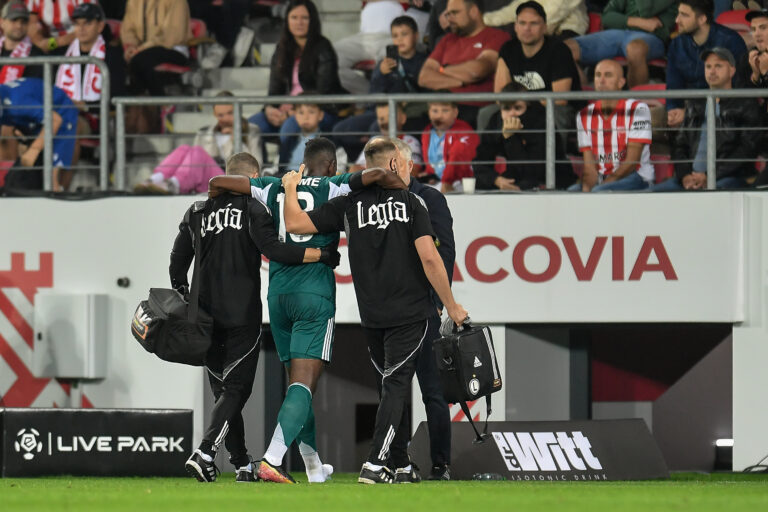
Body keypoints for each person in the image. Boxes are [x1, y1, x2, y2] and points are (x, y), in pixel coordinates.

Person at [207, 137, 407, 484]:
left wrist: (215, 192)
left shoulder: (273, 184)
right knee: (304, 384)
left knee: (296, 384)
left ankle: (313, 465)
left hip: (278, 294)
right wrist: (393, 176)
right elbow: (372, 176)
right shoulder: (333, 184)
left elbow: (220, 182)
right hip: (313, 291)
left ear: (303, 161)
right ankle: (271, 457)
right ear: (331, 165)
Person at [279, 137, 468, 485]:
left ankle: (400, 465)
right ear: (395, 164)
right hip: (411, 311)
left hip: (372, 316)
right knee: (397, 387)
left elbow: (295, 225)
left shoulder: (348, 204)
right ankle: (375, 463)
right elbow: (431, 258)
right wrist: (452, 306)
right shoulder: (413, 202)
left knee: (388, 386)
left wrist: (291, 187)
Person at [172, 152, 338, 483]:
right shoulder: (253, 207)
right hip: (241, 313)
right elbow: (274, 250)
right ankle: (205, 452)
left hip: (204, 315)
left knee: (224, 392)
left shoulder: (196, 210)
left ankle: (240, 461)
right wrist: (320, 253)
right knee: (236, 389)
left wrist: (185, 296)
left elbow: (178, 261)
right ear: (254, 178)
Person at [389, 137, 455, 481]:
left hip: (425, 309)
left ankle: (441, 463)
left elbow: (444, 254)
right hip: (392, 312)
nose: (392, 168)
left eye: (397, 162)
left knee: (434, 391)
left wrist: (441, 300)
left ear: (410, 164)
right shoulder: (376, 201)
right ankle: (398, 462)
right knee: (394, 393)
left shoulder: (430, 199)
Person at [652, 48, 761, 190]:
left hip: (729, 178)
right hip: (691, 178)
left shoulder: (746, 104)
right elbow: (680, 145)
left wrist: (710, 176)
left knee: (715, 195)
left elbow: (746, 149)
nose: (712, 71)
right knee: (653, 193)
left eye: (718, 66)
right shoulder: (695, 104)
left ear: (732, 71)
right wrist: (685, 176)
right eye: (708, 66)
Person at [249, 0, 343, 158]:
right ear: (287, 20)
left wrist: (292, 112)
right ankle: (259, 175)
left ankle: (284, 175)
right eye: (294, 17)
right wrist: (269, 109)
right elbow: (274, 91)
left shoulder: (323, 47)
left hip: (316, 110)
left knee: (290, 126)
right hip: (285, 111)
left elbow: (322, 92)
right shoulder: (281, 49)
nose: (299, 22)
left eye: (304, 18)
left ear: (312, 20)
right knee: (250, 127)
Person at [333, 16, 428, 162]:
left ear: (416, 36)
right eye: (395, 35)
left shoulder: (425, 62)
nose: (400, 39)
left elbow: (427, 96)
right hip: (379, 113)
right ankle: (358, 165)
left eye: (404, 34)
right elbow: (373, 97)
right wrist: (380, 74)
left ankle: (379, 166)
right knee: (339, 130)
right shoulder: (385, 63)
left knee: (375, 128)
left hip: (409, 115)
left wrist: (403, 107)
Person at [134, 91, 263, 195]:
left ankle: (173, 185)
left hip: (232, 180)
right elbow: (195, 164)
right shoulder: (204, 133)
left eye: (230, 113)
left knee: (197, 151)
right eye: (221, 115)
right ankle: (154, 179)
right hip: (205, 179)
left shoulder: (251, 130)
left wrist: (236, 139)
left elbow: (257, 164)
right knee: (184, 148)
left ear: (237, 111)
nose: (225, 119)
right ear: (214, 114)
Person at [54, 2, 126, 164]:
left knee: (68, 125)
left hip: (96, 119)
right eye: (77, 24)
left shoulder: (112, 55)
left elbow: (117, 97)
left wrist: (84, 105)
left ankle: (56, 185)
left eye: (87, 23)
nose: (81, 28)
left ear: (100, 26)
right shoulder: (62, 54)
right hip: (61, 114)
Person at [418, 0, 510, 126]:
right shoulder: (447, 40)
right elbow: (424, 77)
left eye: (454, 13)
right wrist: (460, 81)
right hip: (441, 108)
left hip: (475, 108)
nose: (450, 18)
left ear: (473, 12)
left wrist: (441, 70)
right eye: (448, 14)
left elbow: (477, 71)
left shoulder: (497, 36)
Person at [570, 59, 654, 192]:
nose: (601, 80)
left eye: (608, 75)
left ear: (621, 82)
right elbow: (589, 167)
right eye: (598, 75)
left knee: (599, 192)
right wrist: (586, 192)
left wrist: (599, 187)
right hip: (602, 178)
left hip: (636, 177)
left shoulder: (638, 109)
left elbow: (631, 162)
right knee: (572, 194)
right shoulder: (584, 115)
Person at [474, 82, 575, 190]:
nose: (512, 114)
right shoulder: (496, 121)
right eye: (506, 108)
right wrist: (496, 180)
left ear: (527, 106)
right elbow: (480, 160)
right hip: (513, 177)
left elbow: (532, 171)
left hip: (548, 180)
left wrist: (510, 137)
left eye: (517, 108)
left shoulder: (539, 121)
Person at [666, 0, 747, 127]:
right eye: (678, 14)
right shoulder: (677, 44)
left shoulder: (730, 41)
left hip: (724, 108)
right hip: (688, 107)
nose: (677, 20)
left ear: (702, 19)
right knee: (651, 119)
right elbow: (673, 86)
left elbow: (740, 88)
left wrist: (692, 111)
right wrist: (673, 110)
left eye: (684, 15)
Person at [564, 0, 677, 88]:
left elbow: (651, 19)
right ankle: (585, 100)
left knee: (635, 49)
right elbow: (607, 18)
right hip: (616, 33)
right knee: (565, 48)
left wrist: (622, 19)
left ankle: (637, 106)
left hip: (651, 38)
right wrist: (640, 22)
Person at [0, 77, 78, 192]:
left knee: (51, 178)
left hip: (61, 115)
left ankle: (57, 199)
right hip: (37, 119)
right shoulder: (11, 105)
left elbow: (54, 120)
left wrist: (34, 150)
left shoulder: (17, 104)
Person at [332, 0, 406, 95]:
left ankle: (386, 100)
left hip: (391, 38)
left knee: (390, 59)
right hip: (363, 38)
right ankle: (368, 95)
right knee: (332, 55)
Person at [121, 0, 190, 96]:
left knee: (141, 60)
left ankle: (161, 104)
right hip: (142, 50)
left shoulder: (177, 1)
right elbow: (128, 29)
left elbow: (171, 35)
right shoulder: (133, 1)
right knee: (117, 58)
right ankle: (131, 106)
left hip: (172, 48)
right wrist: (131, 46)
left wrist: (142, 48)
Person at [421, 100, 480, 192]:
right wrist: (430, 175)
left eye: (445, 111)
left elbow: (458, 158)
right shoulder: (427, 131)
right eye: (435, 111)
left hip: (460, 182)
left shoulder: (463, 130)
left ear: (455, 112)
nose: (440, 116)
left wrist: (447, 181)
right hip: (437, 182)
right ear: (429, 113)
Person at [348, 103, 424, 174]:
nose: (385, 122)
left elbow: (413, 171)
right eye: (381, 118)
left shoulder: (410, 142)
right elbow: (356, 169)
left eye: (389, 117)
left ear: (403, 118)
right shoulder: (374, 141)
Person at [483, 0, 588, 39]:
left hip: (564, 32)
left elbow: (550, 18)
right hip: (534, 26)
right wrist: (484, 21)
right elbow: (516, 8)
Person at [0, 1, 44, 84]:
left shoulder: (36, 55)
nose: (19, 26)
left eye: (23, 21)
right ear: (2, 22)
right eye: (14, 20)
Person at [25, 0, 95, 52]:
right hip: (51, 46)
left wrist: (54, 43)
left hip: (80, 43)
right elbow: (32, 26)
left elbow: (87, 28)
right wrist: (41, 43)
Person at [279, 97, 326, 174]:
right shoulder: (289, 141)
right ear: (295, 115)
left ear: (320, 115)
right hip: (287, 178)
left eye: (311, 112)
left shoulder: (328, 140)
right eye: (301, 113)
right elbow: (277, 165)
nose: (306, 117)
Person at [736, 9, 768, 91]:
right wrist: (755, 76)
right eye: (753, 29)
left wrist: (765, 73)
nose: (757, 34)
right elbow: (742, 97)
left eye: (763, 28)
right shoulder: (748, 58)